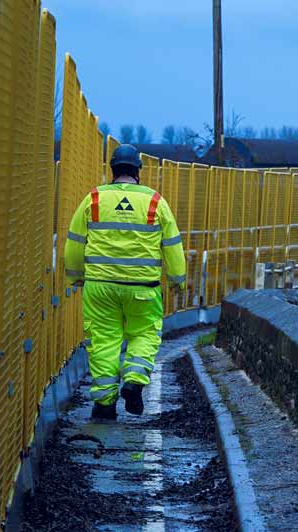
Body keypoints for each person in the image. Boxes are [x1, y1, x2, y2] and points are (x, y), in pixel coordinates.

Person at [64, 144, 186, 421]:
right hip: (143, 288)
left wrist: (75, 276)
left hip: (99, 286)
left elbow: (74, 242)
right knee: (144, 334)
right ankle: (133, 380)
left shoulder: (94, 199)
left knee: (104, 341)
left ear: (113, 169)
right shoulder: (155, 201)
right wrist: (178, 279)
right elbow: (172, 245)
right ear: (137, 171)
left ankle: (104, 405)